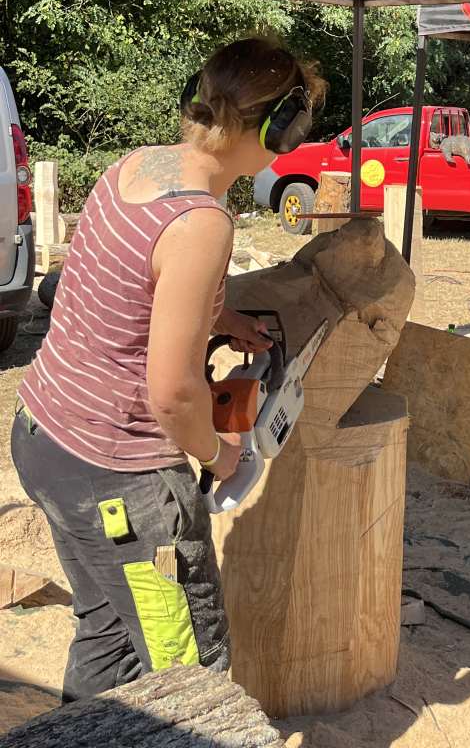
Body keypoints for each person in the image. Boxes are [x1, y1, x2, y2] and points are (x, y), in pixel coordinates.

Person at [11, 37, 325, 702]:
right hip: (117, 480)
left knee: (110, 635)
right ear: (278, 128)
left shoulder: (136, 167)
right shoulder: (200, 223)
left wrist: (222, 318)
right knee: (190, 670)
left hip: (45, 435)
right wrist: (223, 457)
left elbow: (128, 284)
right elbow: (173, 394)